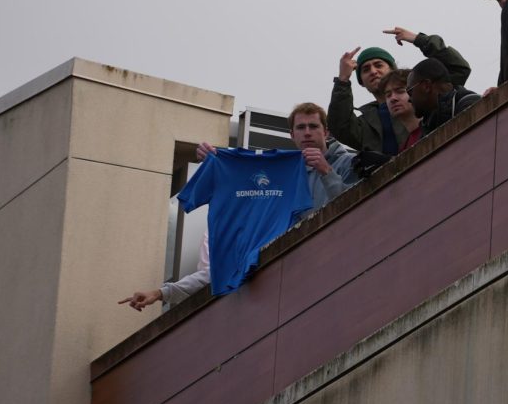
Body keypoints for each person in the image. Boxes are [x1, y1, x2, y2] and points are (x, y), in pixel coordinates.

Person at [118, 103, 356, 309]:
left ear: (326, 131)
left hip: (335, 265)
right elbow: (225, 265)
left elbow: (358, 209)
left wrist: (327, 171)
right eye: (300, 127)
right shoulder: (274, 192)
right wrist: (215, 161)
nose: (307, 133)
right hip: (294, 279)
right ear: (291, 134)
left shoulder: (347, 162)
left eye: (313, 126)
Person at [328, 31, 469, 155]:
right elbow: (339, 126)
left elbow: (458, 69)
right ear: (361, 82)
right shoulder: (365, 124)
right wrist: (342, 80)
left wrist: (419, 39)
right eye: (365, 69)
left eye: (378, 65)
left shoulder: (423, 96)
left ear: (392, 69)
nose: (373, 71)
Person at [406, 58, 482, 138]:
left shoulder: (470, 104)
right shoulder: (428, 128)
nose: (409, 99)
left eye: (410, 91)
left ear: (426, 86)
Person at [380, 68, 423, 152]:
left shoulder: (438, 126)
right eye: (388, 95)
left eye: (400, 91)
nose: (393, 98)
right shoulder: (403, 149)